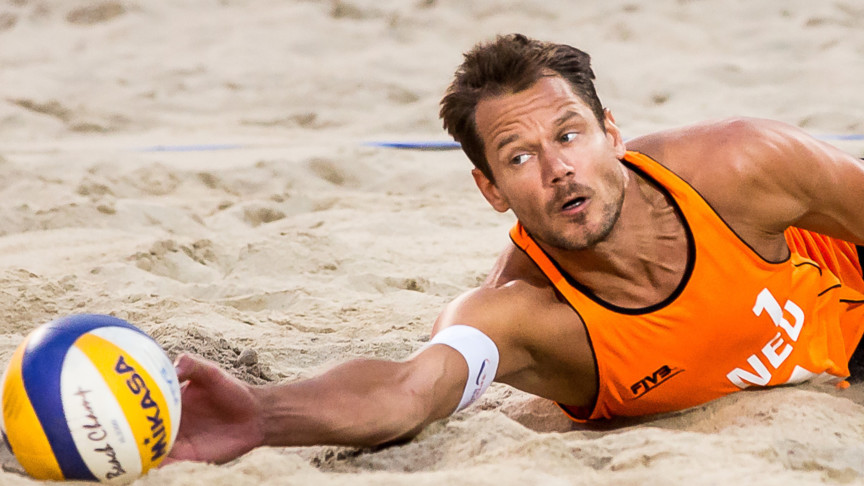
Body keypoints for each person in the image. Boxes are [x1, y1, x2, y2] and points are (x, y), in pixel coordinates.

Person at [166, 33, 864, 465]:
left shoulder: (742, 165)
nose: (558, 169)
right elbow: (409, 389)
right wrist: (262, 414)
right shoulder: (520, 315)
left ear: (611, 136)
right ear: (491, 189)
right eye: (519, 156)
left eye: (568, 135)